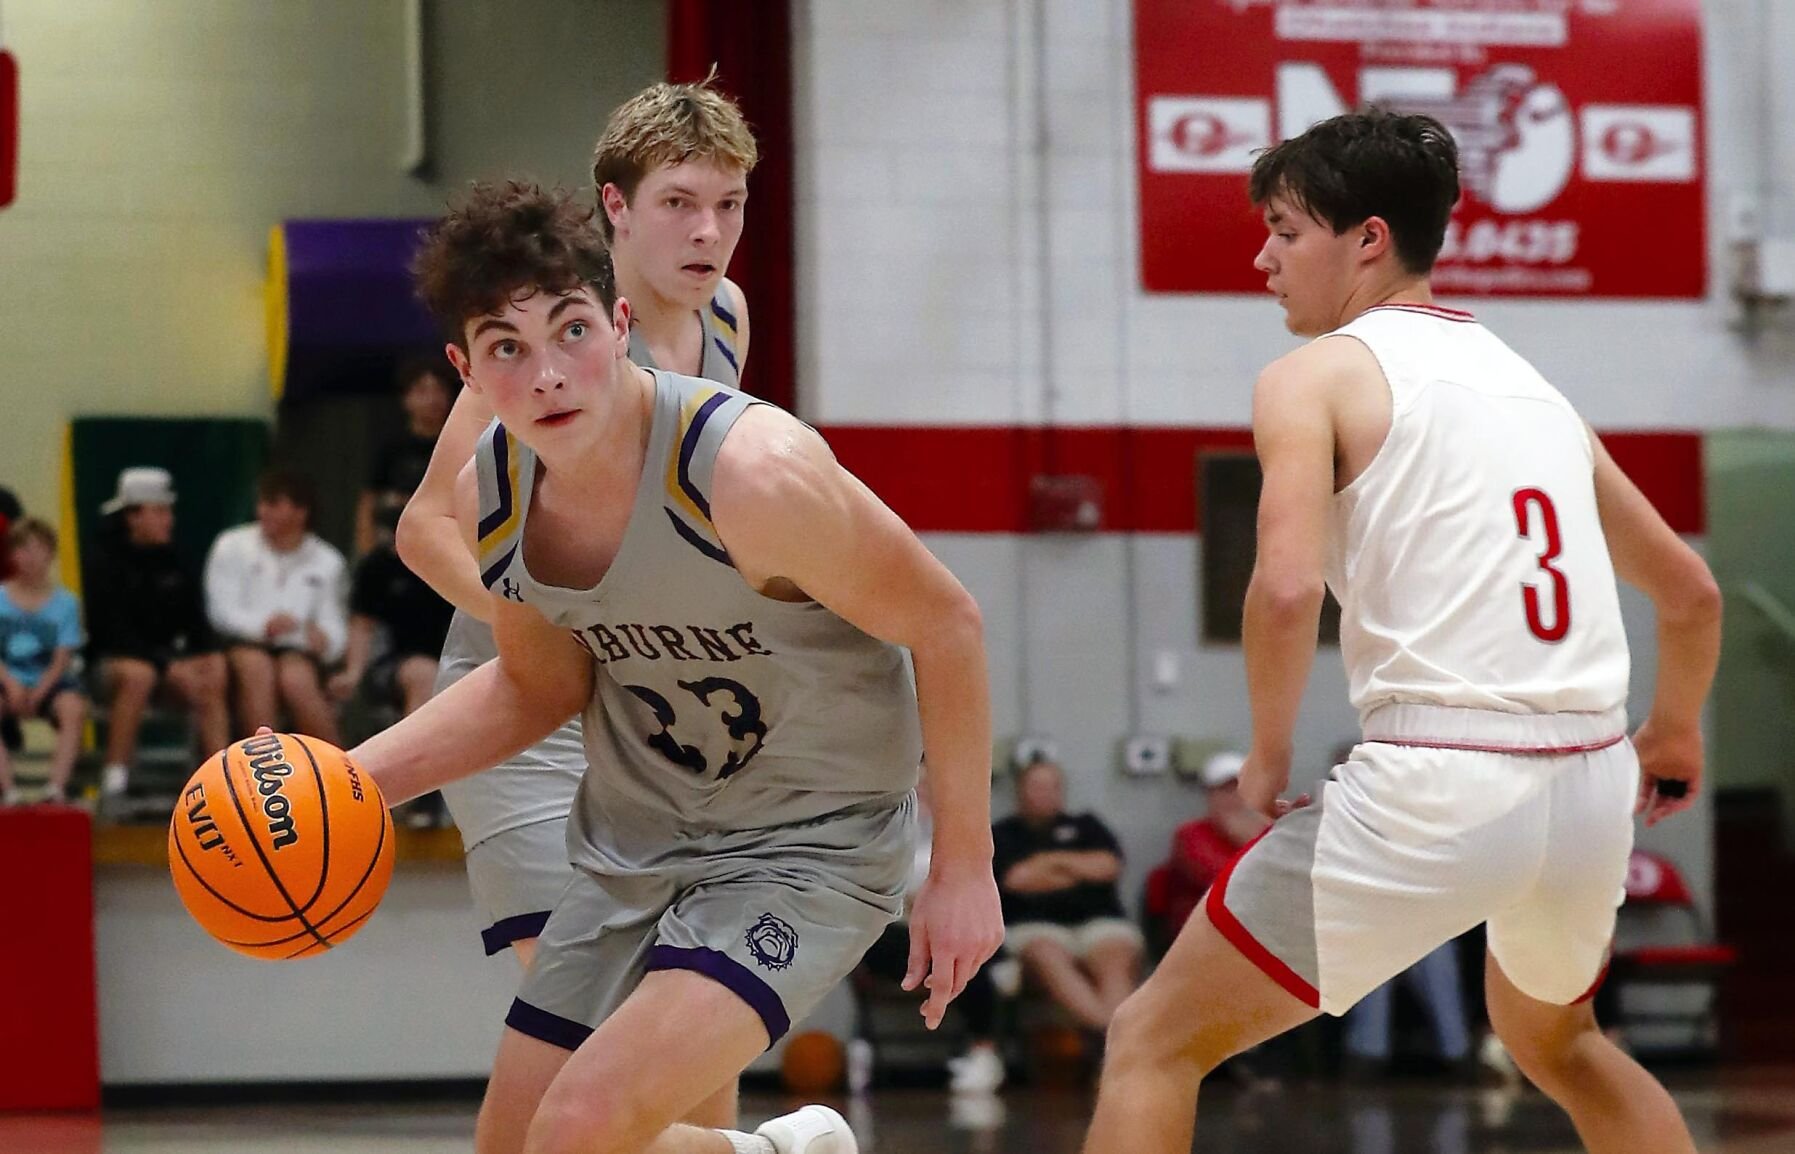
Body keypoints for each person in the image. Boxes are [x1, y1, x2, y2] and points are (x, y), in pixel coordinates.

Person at [1081, 109, 1718, 1154]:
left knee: (1151, 1040)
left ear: (1367, 239)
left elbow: (1285, 589)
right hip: (1589, 783)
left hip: (1439, 778)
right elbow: (1689, 592)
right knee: (1562, 1044)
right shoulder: (1536, 391)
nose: (1263, 258)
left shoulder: (1312, 376)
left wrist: (1266, 757)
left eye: (1285, 231)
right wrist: (1675, 732)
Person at [352, 180, 1002, 1154]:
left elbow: (946, 623)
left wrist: (962, 867)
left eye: (571, 330)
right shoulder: (495, 488)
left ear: (619, 324)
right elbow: (537, 685)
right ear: (466, 370)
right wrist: (345, 784)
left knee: (579, 1124)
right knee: (521, 1143)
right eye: (506, 348)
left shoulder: (750, 474)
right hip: (645, 834)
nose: (548, 375)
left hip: (806, 841)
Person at [397, 75, 758, 969]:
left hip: (645, 710)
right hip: (517, 700)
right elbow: (425, 526)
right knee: (580, 1018)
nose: (707, 231)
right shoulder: (552, 335)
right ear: (617, 208)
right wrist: (548, 633)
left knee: (674, 1019)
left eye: (728, 204)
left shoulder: (725, 318)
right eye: (678, 203)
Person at [86, 467, 231, 806]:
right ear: (133, 516)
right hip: (112, 665)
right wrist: (166, 665)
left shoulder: (175, 560)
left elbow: (196, 624)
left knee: (212, 674)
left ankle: (222, 781)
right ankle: (115, 781)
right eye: (160, 511)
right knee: (139, 675)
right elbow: (112, 634)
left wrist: (203, 659)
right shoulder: (103, 561)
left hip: (167, 666)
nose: (169, 520)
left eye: (169, 511)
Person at [993, 756, 1143, 1033]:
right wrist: (1077, 870)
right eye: (1036, 786)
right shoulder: (1003, 834)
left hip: (1100, 922)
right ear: (1020, 790)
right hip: (1033, 927)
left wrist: (1048, 861)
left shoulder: (1087, 825)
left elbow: (1108, 866)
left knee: (1115, 957)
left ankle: (1115, 1037)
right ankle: (1112, 1034)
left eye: (1052, 786)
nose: (1044, 793)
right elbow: (1017, 880)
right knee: (1047, 956)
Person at [204, 469, 347, 743]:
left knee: (296, 679)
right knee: (256, 667)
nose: (262, 512)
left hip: (297, 650)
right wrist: (264, 626)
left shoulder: (329, 561)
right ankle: (263, 758)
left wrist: (325, 641)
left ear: (300, 512)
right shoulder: (231, 545)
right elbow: (221, 611)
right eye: (261, 503)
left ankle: (340, 761)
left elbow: (334, 625)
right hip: (241, 644)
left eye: (272, 504)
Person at [0, 519, 85, 804]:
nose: (30, 557)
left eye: (37, 549)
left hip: (49, 680)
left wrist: (40, 691)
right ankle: (8, 790)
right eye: (22, 549)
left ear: (50, 553)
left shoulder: (67, 603)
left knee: (73, 708)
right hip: (7, 677)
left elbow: (62, 657)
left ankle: (55, 788)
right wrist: (11, 684)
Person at [1156, 751, 1267, 942]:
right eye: (1226, 791)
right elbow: (1227, 885)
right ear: (1210, 796)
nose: (1236, 798)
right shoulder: (1190, 834)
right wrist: (1249, 841)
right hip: (1205, 935)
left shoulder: (1271, 831)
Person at [357, 355, 457, 556]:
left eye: (439, 390)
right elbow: (369, 499)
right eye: (422, 391)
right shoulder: (391, 447)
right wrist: (366, 546)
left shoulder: (459, 445)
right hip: (393, 548)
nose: (432, 399)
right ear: (406, 399)